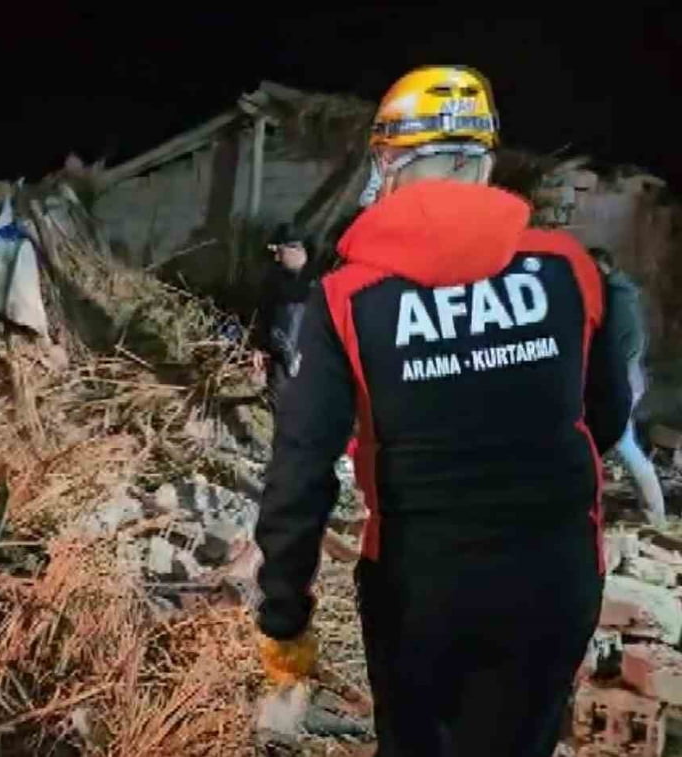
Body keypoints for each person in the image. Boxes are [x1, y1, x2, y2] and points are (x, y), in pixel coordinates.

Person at [251, 65, 630, 756]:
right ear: (484, 162)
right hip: (555, 576)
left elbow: (300, 470)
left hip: (420, 589)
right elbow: (604, 418)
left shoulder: (346, 298)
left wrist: (285, 616)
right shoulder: (569, 268)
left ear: (389, 164)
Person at [591, 246, 667, 525]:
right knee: (621, 443)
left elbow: (629, 346)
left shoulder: (618, 299)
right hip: (621, 382)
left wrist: (611, 381)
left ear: (603, 266)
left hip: (620, 384)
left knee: (624, 445)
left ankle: (653, 513)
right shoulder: (617, 295)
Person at [255, 223, 314, 403]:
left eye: (280, 252)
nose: (276, 258)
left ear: (296, 249)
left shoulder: (322, 282)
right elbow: (265, 315)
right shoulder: (274, 280)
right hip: (281, 358)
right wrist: (259, 347)